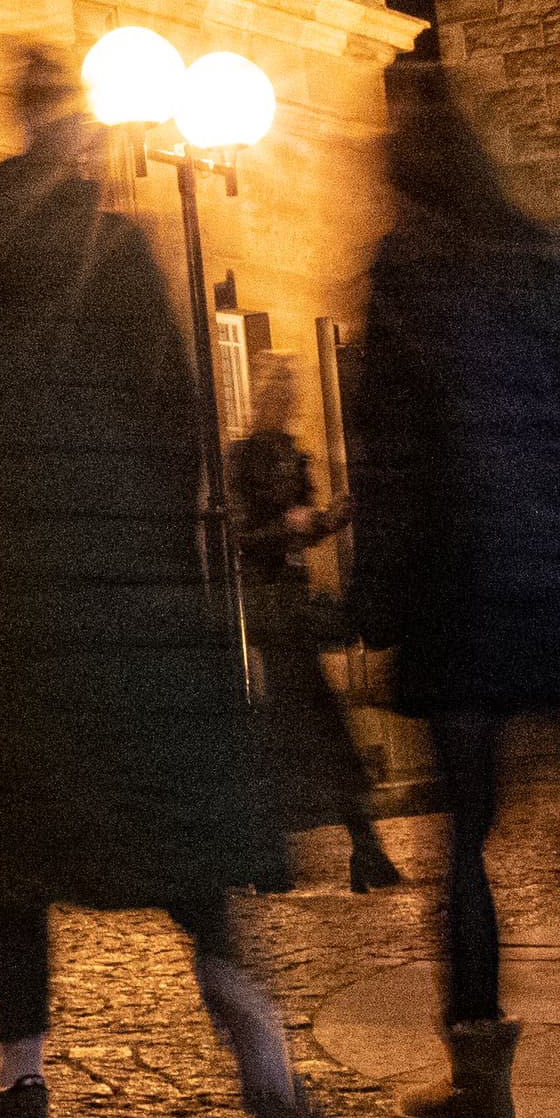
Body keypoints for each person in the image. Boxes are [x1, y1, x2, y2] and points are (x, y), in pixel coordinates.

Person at [0, 43, 321, 1118]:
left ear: (20, 123)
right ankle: (261, 1052)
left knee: (16, 847)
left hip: (31, 598)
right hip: (136, 588)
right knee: (181, 829)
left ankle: (22, 1071)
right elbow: (180, 415)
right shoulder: (120, 245)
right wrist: (153, 534)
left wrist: (0, 537)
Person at [345, 63, 560, 1118]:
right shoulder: (535, 258)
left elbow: (390, 453)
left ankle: (477, 1070)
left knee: (464, 836)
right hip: (542, 581)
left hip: (457, 589)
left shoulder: (407, 268)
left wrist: (377, 599)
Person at [228, 360, 404, 896]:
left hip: (293, 608)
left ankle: (348, 849)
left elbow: (304, 531)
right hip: (269, 611)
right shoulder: (243, 458)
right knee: (301, 727)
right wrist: (287, 526)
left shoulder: (293, 455)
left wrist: (329, 518)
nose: (285, 399)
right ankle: (330, 850)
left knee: (306, 726)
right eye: (277, 390)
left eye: (290, 390)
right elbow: (241, 536)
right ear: (263, 396)